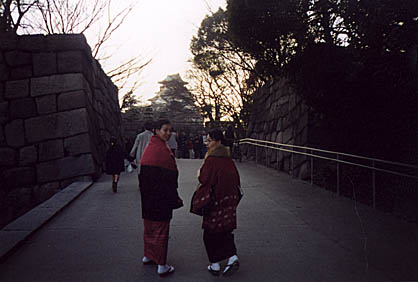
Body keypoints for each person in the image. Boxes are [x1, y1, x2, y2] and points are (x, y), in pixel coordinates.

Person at [190, 129, 241, 276]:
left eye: (209, 140)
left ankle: (215, 264)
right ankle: (232, 257)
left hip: (214, 201)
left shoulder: (211, 160)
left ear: (218, 141)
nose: (206, 143)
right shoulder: (228, 159)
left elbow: (204, 179)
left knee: (210, 234)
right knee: (225, 231)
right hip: (230, 201)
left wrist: (199, 173)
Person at [139, 119, 183, 277]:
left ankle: (148, 255)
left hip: (148, 195)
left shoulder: (151, 146)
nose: (168, 133)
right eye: (165, 130)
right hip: (161, 195)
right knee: (161, 230)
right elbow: (171, 175)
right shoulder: (162, 149)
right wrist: (173, 197)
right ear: (156, 130)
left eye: (170, 130)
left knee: (149, 227)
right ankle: (161, 264)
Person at [130, 121, 154, 188]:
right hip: (150, 155)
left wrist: (131, 155)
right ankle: (149, 183)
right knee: (150, 170)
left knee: (140, 171)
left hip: (140, 155)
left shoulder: (140, 136)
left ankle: (141, 183)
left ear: (144, 127)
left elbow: (135, 146)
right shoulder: (153, 136)